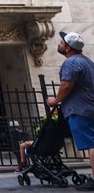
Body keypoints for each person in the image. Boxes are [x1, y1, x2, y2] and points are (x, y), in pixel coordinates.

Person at [46, 31, 94, 190]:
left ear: (67, 47)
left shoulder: (71, 62)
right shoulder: (88, 62)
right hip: (90, 107)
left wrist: (55, 100)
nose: (58, 44)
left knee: (91, 144)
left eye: (61, 43)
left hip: (80, 110)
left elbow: (66, 85)